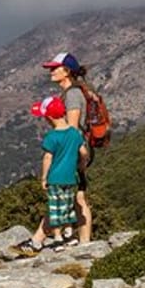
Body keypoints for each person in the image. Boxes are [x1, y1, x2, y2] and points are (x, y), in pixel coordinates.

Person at [17, 95, 85, 252]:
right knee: (68, 205)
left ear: (49, 117)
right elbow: (83, 152)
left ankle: (57, 238)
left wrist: (44, 177)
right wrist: (81, 165)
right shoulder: (74, 134)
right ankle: (69, 234)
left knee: (55, 209)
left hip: (55, 178)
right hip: (70, 178)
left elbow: (48, 157)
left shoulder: (52, 136)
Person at [42, 51, 94, 242]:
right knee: (78, 197)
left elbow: (71, 131)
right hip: (79, 150)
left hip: (76, 152)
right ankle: (84, 242)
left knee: (74, 197)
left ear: (67, 71)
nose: (51, 72)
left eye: (55, 69)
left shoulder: (72, 96)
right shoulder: (71, 92)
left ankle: (37, 240)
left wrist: (62, 157)